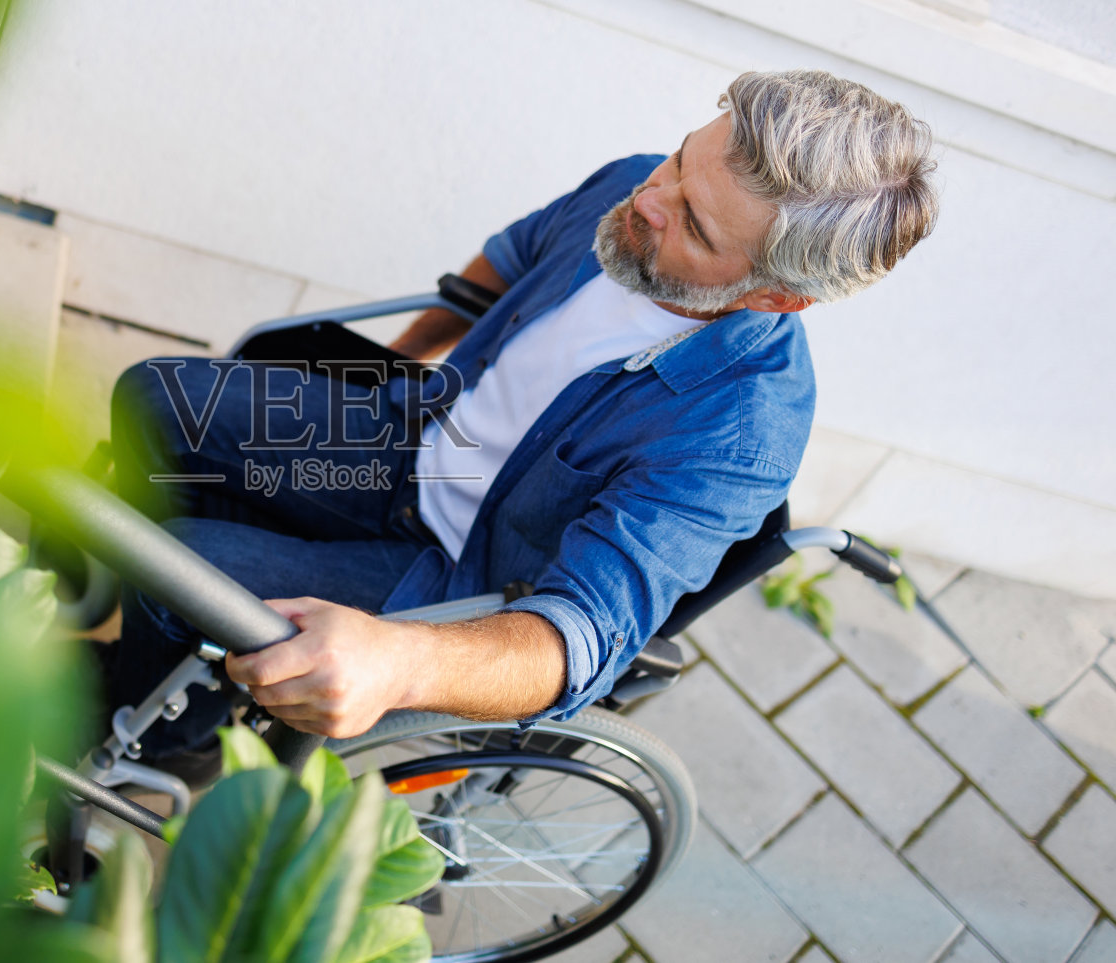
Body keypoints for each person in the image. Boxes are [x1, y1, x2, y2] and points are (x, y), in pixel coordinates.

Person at [102, 69, 938, 758]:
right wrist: (400, 364)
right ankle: (183, 630)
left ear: (774, 294)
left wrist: (396, 662)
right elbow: (503, 263)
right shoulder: (633, 187)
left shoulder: (739, 433)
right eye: (683, 160)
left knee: (177, 565)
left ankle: (155, 737)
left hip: (455, 585)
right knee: (151, 396)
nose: (653, 197)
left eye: (693, 221)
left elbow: (577, 638)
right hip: (413, 441)